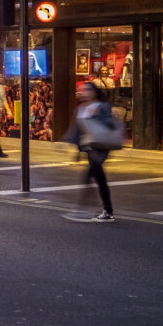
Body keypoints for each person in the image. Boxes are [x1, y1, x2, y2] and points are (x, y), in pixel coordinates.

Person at [60, 82, 122, 222]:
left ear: (94, 92)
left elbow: (109, 124)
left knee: (89, 177)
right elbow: (75, 130)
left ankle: (83, 210)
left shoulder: (102, 107)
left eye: (88, 90)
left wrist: (96, 117)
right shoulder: (81, 108)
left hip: (99, 148)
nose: (85, 92)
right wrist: (70, 146)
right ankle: (106, 210)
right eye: (83, 90)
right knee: (100, 180)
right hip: (88, 149)